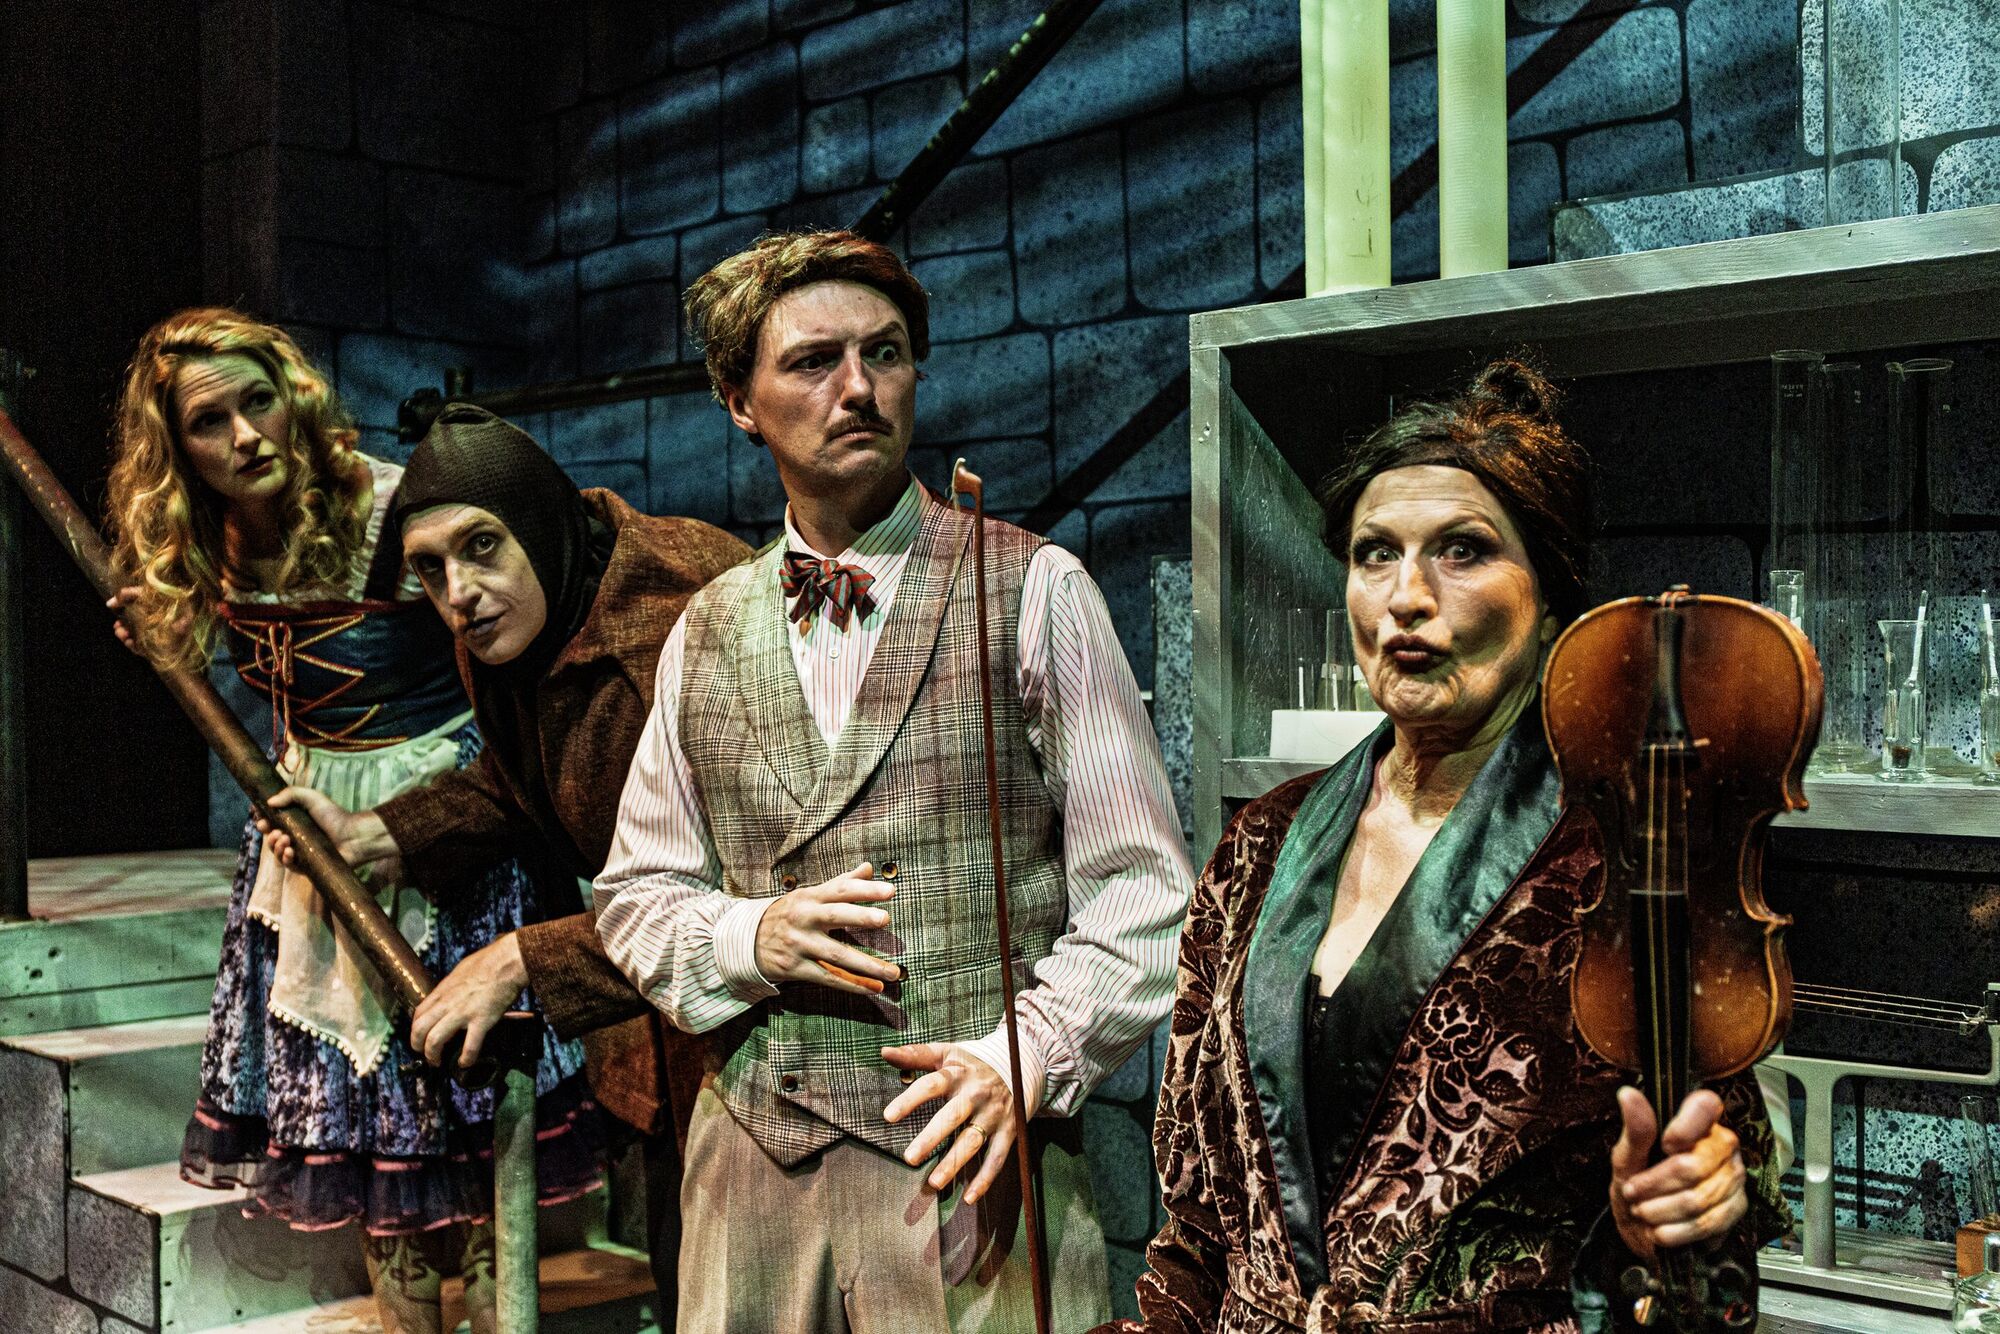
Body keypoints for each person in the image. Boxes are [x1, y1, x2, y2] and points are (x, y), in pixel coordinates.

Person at [591, 229, 1196, 1332]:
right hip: (751, 1168)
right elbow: (635, 894)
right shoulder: (705, 628)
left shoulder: (1032, 587)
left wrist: (1027, 1054)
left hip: (967, 1166)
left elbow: (1144, 888)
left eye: (884, 353)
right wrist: (750, 935)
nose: (859, 387)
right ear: (739, 401)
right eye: (813, 361)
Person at [1104, 361, 1786, 1334]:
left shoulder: (1623, 866)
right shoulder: (1258, 844)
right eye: (1374, 553)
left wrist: (1668, 1225)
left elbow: (1710, 1257)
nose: (1407, 595)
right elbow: (1195, 1230)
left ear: (1551, 600)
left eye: (1462, 551)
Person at [105, 309, 599, 1334]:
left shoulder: (387, 507)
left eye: (260, 400)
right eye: (210, 421)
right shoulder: (196, 544)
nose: (247, 436)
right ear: (176, 446)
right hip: (309, 841)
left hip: (444, 820)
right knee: (374, 1139)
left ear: (294, 396)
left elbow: (512, 638)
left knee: (467, 1114)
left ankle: (495, 1315)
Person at [258, 402, 751, 1318]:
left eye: (481, 547)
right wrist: (380, 834)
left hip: (769, 1047)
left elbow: (747, 891)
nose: (459, 591)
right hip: (668, 1035)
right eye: (430, 568)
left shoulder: (681, 620)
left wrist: (525, 958)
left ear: (536, 520)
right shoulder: (536, 610)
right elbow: (524, 774)